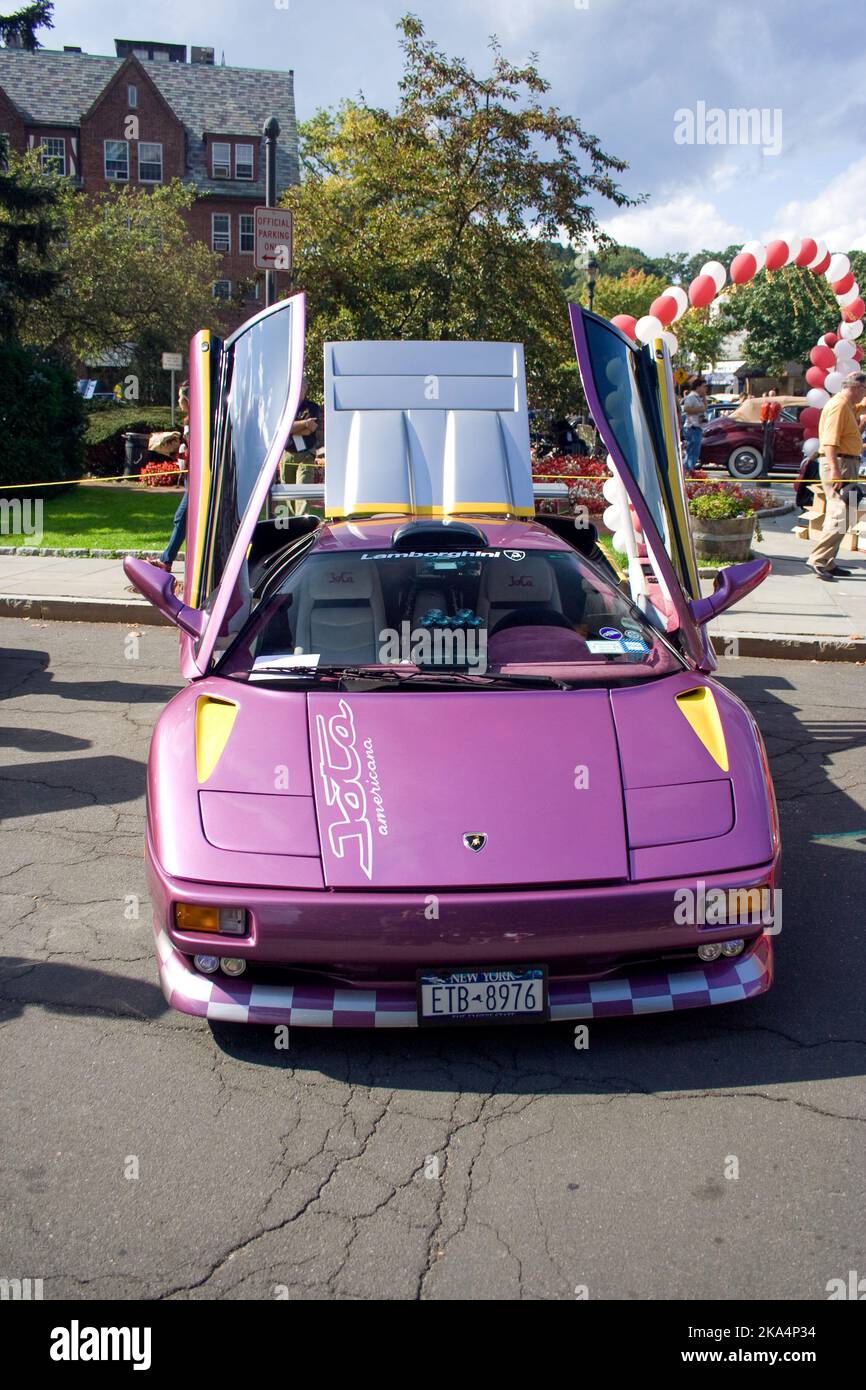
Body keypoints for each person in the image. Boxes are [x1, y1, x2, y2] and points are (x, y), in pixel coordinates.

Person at [807, 369, 866, 580]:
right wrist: (834, 469)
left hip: (848, 463)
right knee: (840, 512)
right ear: (857, 387)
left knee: (848, 513)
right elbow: (830, 441)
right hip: (839, 463)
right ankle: (818, 559)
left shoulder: (848, 406)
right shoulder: (839, 405)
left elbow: (859, 410)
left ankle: (829, 560)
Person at [153, 383, 190, 574]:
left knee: (181, 518)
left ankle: (166, 561)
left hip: (196, 481)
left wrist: (178, 452)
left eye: (180, 397)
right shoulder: (189, 421)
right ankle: (166, 560)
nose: (178, 401)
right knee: (183, 520)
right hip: (191, 479)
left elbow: (195, 453)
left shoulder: (193, 421)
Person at [681, 375, 708, 473]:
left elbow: (705, 408)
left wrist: (704, 396)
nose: (706, 389)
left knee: (695, 452)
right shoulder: (692, 397)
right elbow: (686, 409)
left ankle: (689, 470)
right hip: (692, 427)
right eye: (704, 387)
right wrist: (698, 410)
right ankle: (687, 470)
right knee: (692, 451)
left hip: (697, 427)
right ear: (698, 387)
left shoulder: (698, 398)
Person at [760, 388, 782, 471]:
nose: (772, 396)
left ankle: (769, 464)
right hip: (766, 425)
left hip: (772, 425)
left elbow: (779, 415)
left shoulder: (776, 404)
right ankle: (766, 464)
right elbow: (762, 416)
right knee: (766, 447)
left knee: (770, 447)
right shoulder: (765, 404)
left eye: (773, 395)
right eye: (771, 395)